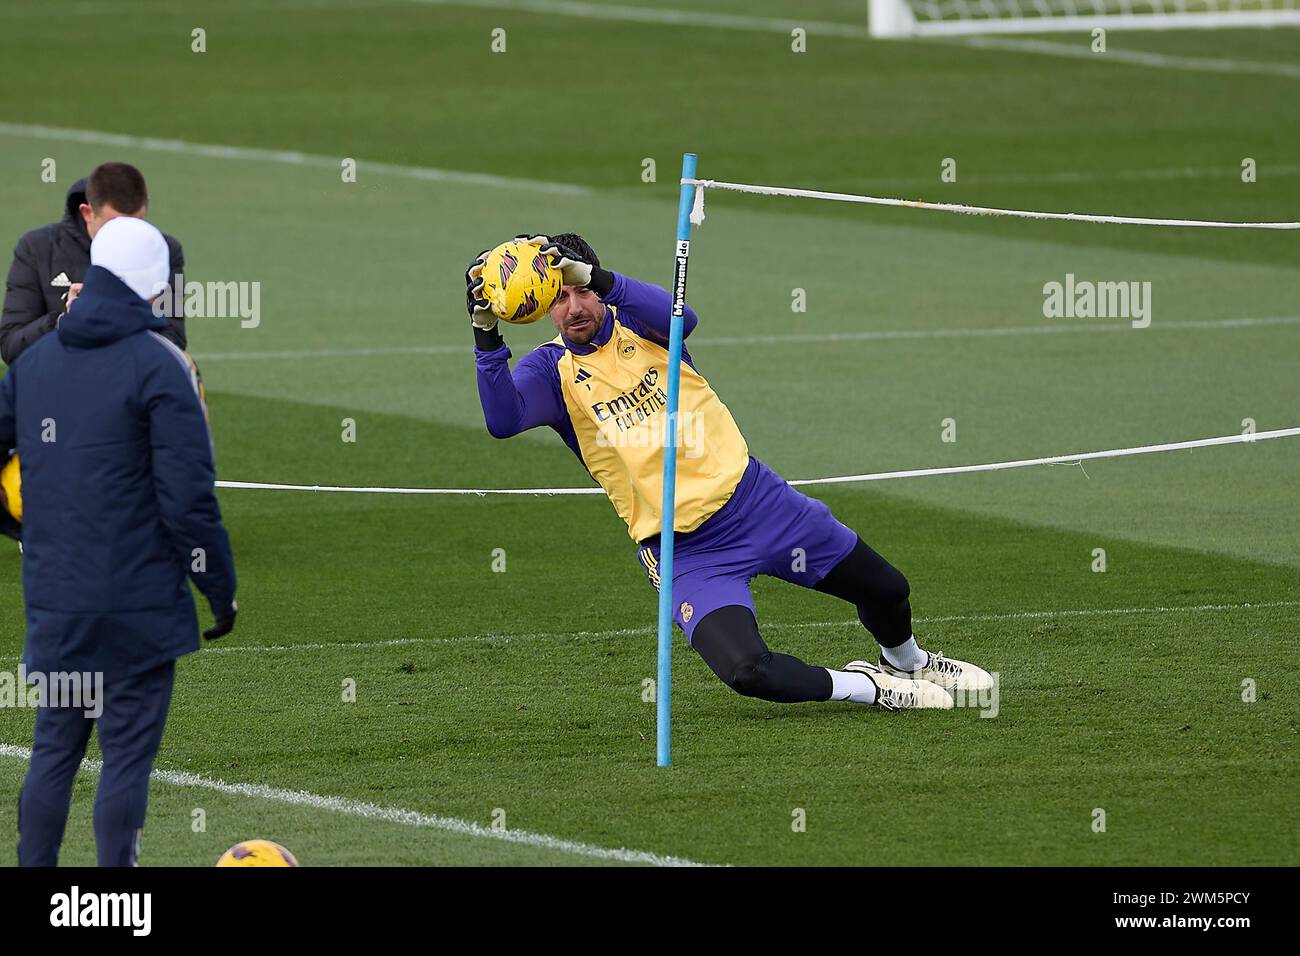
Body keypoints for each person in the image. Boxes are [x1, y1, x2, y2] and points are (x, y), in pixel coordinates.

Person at [467, 234, 993, 711]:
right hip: (685, 551)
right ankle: (874, 688)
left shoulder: (645, 323)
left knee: (886, 589)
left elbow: (684, 318)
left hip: (759, 505)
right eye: (557, 298)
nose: (574, 307)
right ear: (540, 308)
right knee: (748, 671)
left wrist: (598, 278)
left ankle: (907, 662)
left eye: (580, 291)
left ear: (597, 287)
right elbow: (503, 420)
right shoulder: (549, 371)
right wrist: (486, 335)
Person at [0, 216, 236, 866]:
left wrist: (31, 529)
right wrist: (220, 590)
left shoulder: (34, 363)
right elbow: (188, 498)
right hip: (139, 609)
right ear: (152, 288)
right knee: (125, 761)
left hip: (60, 601)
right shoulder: (162, 365)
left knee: (54, 751)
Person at [1, 161, 185, 366]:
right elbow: (12, 347)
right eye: (114, 224)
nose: (126, 234)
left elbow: (173, 343)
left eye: (136, 222)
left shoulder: (162, 250)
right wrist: (64, 320)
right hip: (59, 383)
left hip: (127, 384)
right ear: (87, 213)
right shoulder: (37, 248)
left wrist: (127, 317)